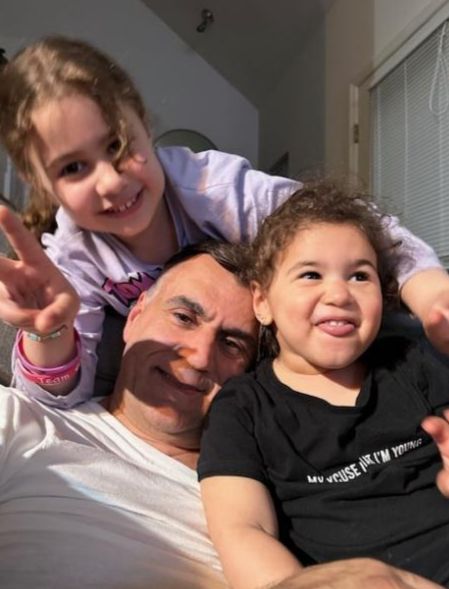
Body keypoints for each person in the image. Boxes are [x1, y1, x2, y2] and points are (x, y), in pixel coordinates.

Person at [0, 36, 449, 409]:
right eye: (73, 168)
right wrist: (48, 331)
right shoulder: (72, 256)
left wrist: (430, 294)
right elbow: (55, 399)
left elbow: (352, 226)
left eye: (117, 145)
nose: (111, 181)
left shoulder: (215, 188)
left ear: (143, 122)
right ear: (39, 182)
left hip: (272, 334)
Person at [0, 229, 442, 589]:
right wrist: (47, 335)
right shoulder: (24, 424)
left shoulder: (286, 483)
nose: (198, 356)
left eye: (232, 344)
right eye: (183, 317)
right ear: (134, 317)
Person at [198, 181, 449, 589]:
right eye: (311, 274)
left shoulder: (410, 362)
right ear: (262, 302)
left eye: (360, 276)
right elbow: (242, 529)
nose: (339, 294)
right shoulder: (243, 408)